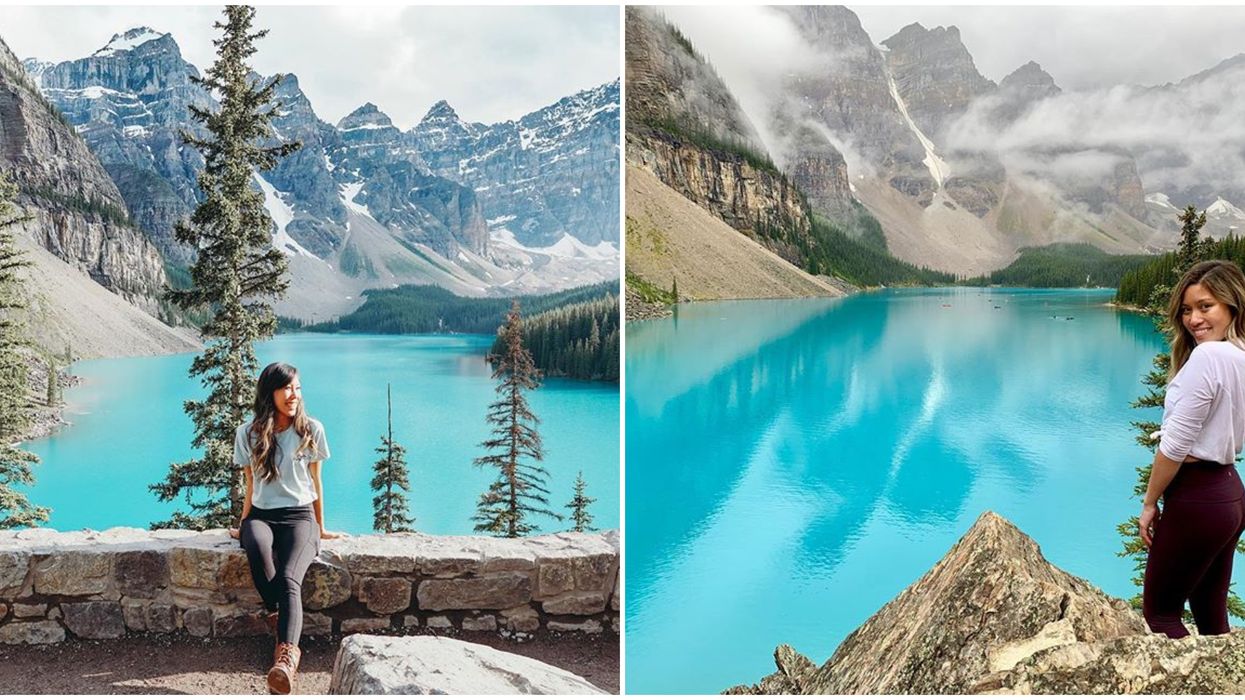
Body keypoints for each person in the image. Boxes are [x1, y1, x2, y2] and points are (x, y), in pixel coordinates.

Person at [1140, 259, 1245, 638]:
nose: (1193, 319)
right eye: (1186, 310)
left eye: (1206, 306)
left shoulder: (1208, 357)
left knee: (1162, 616)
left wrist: (1150, 503)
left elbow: (1176, 445)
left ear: (1232, 305)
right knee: (1211, 614)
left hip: (1198, 498)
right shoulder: (1240, 355)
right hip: (1230, 494)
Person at [228, 362, 338, 694]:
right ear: (270, 392)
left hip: (300, 517)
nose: (294, 395)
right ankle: (281, 616)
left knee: (290, 578)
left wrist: (321, 526)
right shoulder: (247, 433)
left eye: (298, 388)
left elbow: (316, 481)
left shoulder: (311, 430)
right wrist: (243, 523)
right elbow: (250, 484)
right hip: (261, 515)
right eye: (287, 388)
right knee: (259, 554)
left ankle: (286, 658)